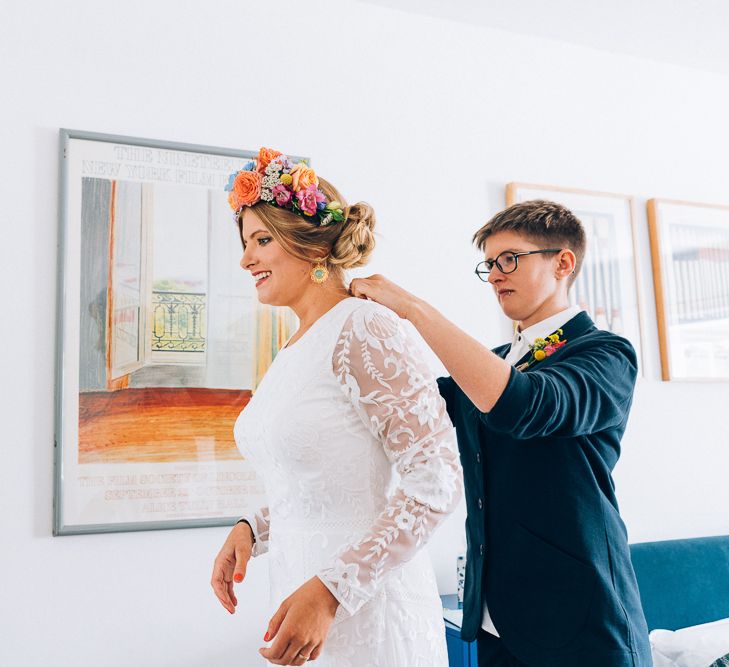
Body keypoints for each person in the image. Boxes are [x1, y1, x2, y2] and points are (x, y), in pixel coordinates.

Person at [350, 200, 652, 667]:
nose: (494, 275)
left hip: (580, 622)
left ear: (563, 263)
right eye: (489, 264)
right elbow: (409, 409)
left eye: (509, 259)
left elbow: (523, 405)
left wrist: (413, 309)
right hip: (494, 623)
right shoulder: (495, 362)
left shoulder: (607, 355)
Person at [210, 148, 462, 666]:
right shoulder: (298, 344)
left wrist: (331, 592)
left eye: (261, 241)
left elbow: (435, 478)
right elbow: (325, 479)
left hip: (366, 612)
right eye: (245, 243)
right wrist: (253, 528)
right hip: (301, 601)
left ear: (310, 244)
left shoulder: (366, 327)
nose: (245, 259)